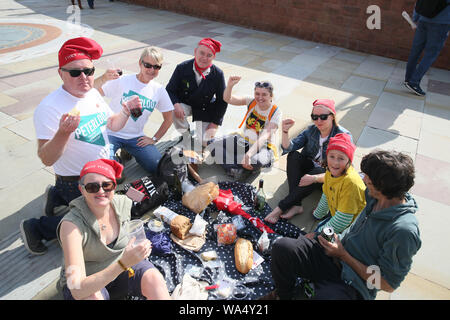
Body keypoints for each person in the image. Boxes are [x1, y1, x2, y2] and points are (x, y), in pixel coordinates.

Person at [20, 37, 131, 256]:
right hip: (75, 179)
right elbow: (46, 158)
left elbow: (113, 125)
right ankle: (35, 228)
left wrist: (126, 112)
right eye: (75, 73)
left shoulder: (92, 94)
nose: (85, 78)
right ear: (60, 73)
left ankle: (56, 196)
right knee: (93, 222)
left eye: (89, 71)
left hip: (101, 172)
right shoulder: (49, 108)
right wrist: (63, 132)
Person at [269, 150, 422, 300]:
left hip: (355, 283)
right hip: (335, 257)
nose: (364, 178)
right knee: (283, 248)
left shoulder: (403, 231)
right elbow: (341, 177)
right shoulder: (375, 195)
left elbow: (387, 284)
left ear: (381, 185)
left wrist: (344, 255)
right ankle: (283, 295)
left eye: (367, 177)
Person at [57, 159, 171, 300]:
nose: (101, 191)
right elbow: (77, 289)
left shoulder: (123, 202)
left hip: (121, 268)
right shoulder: (71, 226)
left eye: (107, 185)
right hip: (89, 282)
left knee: (155, 279)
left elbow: (144, 195)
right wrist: (123, 263)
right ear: (81, 189)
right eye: (92, 187)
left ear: (114, 186)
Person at [264, 99, 352, 224]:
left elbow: (344, 171)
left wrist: (316, 178)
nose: (318, 121)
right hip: (309, 170)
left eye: (323, 117)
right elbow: (289, 147)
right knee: (293, 156)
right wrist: (284, 131)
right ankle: (297, 204)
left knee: (317, 170)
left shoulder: (343, 136)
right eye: (314, 117)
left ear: (332, 116)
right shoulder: (311, 129)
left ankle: (280, 208)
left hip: (326, 177)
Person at [94, 47, 174, 174]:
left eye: (156, 67)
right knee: (108, 171)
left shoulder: (158, 89)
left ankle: (129, 151)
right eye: (148, 65)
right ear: (140, 63)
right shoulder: (123, 80)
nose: (152, 70)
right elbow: (92, 91)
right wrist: (103, 78)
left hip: (135, 137)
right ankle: (118, 159)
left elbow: (169, 118)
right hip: (111, 134)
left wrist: (154, 139)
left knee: (157, 167)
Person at [209, 76, 281, 179]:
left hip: (263, 147)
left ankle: (244, 164)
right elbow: (228, 99)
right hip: (245, 141)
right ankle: (235, 169)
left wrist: (248, 155)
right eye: (257, 94)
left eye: (264, 94)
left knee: (255, 161)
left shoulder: (276, 112)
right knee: (212, 144)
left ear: (271, 96)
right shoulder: (251, 101)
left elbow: (264, 136)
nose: (260, 97)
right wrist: (229, 86)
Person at [166, 37, 228, 147]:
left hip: (205, 108)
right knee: (172, 109)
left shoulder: (218, 74)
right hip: (185, 104)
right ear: (195, 52)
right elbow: (170, 89)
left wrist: (215, 123)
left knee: (204, 143)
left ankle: (223, 138)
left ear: (214, 57)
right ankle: (185, 134)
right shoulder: (182, 68)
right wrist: (176, 104)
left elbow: (222, 101)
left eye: (209, 55)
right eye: (202, 53)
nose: (204, 58)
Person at [304, 133, 366, 237]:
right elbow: (327, 194)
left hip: (351, 227)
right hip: (339, 211)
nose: (335, 163)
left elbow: (343, 220)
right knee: (319, 227)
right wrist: (318, 214)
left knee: (318, 233)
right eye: (331, 156)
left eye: (341, 158)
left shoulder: (351, 183)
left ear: (349, 161)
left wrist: (318, 234)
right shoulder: (330, 171)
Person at [404, 0, 450, 96]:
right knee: (431, 54)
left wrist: (415, 18)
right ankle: (414, 82)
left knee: (416, 50)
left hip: (423, 19)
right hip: (441, 23)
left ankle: (408, 79)